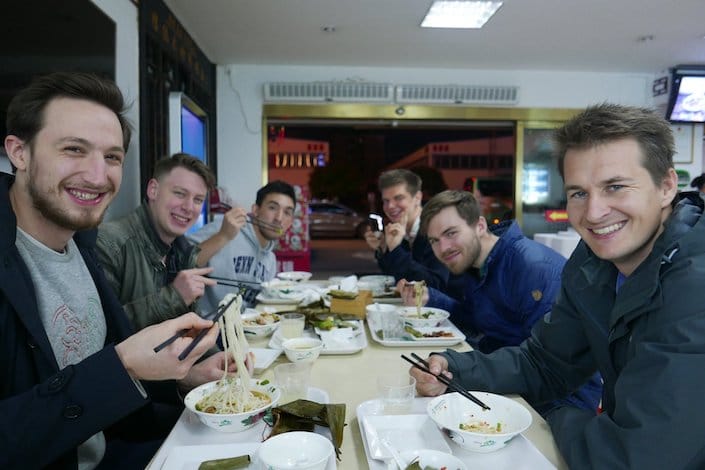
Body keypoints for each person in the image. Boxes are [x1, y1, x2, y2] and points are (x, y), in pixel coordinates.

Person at [411, 103, 705, 469]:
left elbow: (636, 458)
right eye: (579, 193)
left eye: (615, 186)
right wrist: (453, 367)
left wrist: (555, 417)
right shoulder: (593, 262)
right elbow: (547, 362)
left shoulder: (694, 285)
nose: (594, 213)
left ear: (666, 186)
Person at [0, 72, 240, 469]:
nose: (97, 176)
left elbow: (107, 373)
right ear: (19, 152)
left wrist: (184, 380)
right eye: (74, 149)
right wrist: (122, 365)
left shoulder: (83, 244)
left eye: (111, 157)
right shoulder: (108, 241)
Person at [399, 189, 601, 415]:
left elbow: (548, 368)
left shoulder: (533, 268)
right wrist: (431, 298)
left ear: (480, 226)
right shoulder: (477, 264)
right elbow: (477, 319)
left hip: (558, 405)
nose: (443, 248)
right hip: (511, 383)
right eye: (434, 241)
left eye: (451, 233)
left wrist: (459, 370)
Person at [96, 153, 218, 330]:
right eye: (179, 193)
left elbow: (191, 330)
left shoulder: (183, 253)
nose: (188, 207)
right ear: (153, 190)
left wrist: (223, 357)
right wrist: (175, 297)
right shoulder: (109, 243)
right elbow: (101, 333)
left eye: (198, 200)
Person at [188, 180, 296, 310]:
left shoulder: (270, 260)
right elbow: (178, 262)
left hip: (246, 326)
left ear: (291, 222)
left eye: (287, 212)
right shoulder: (226, 228)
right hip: (205, 325)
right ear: (255, 210)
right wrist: (223, 236)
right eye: (272, 208)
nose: (279, 218)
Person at [364, 169, 463, 298]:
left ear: (417, 197)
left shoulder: (438, 230)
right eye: (386, 201)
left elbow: (435, 285)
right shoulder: (401, 228)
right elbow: (397, 276)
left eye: (398, 198)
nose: (390, 206)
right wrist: (383, 248)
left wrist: (395, 250)